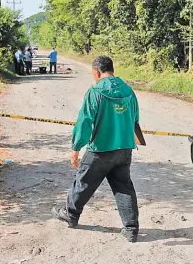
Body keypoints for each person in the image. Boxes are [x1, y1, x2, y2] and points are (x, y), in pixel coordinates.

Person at [52, 55, 141, 242]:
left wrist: (76, 148)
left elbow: (84, 121)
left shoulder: (95, 91)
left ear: (97, 72)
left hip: (101, 148)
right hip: (124, 148)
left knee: (83, 181)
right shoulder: (128, 90)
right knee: (123, 186)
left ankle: (71, 214)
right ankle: (131, 229)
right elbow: (135, 118)